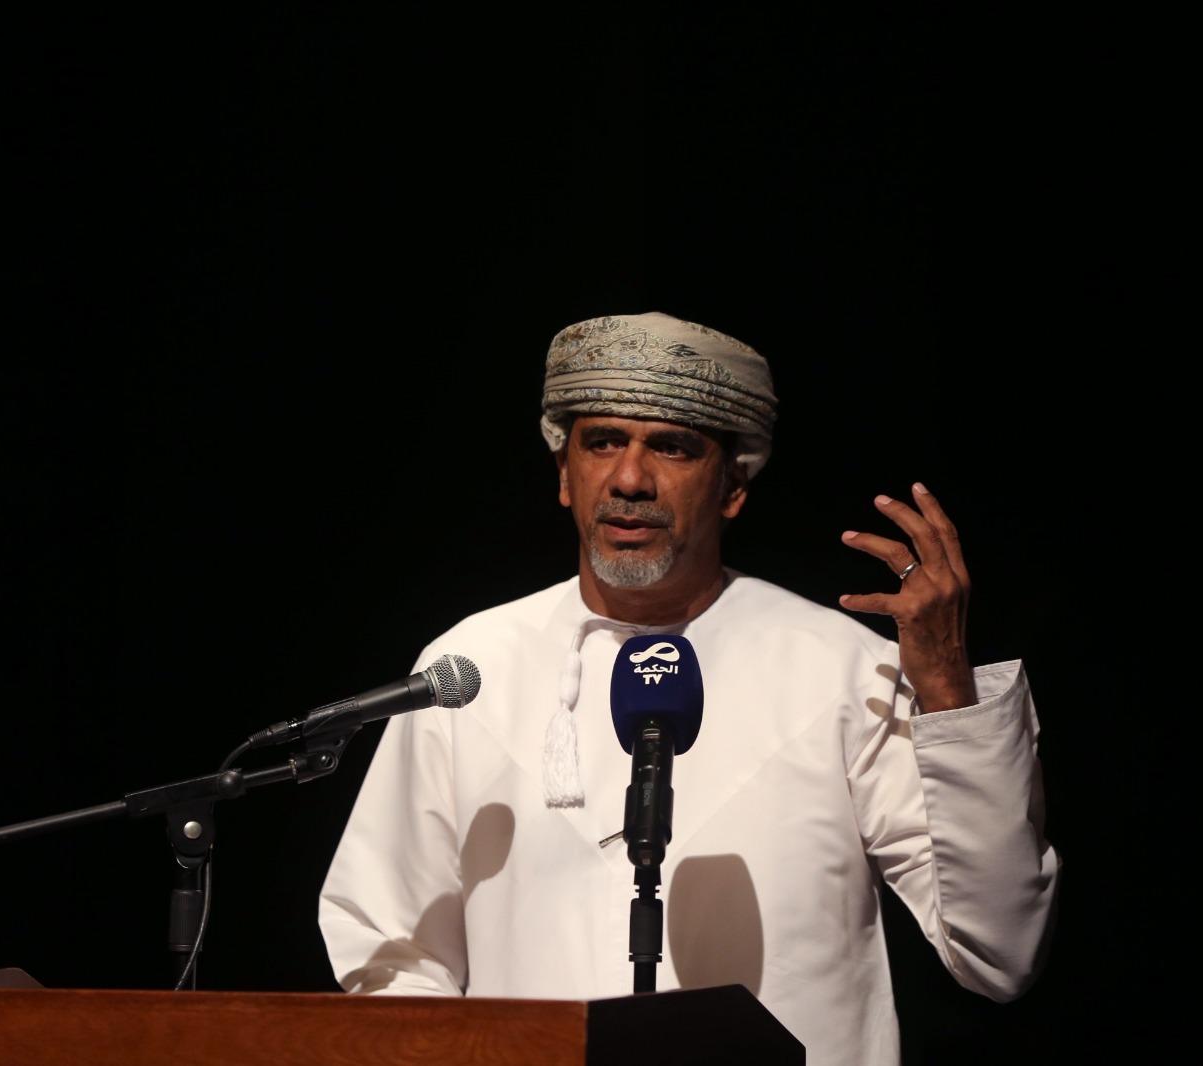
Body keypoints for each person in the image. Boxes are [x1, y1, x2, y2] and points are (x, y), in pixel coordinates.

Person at [317, 311, 1060, 1065]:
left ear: (733, 487)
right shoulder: (470, 667)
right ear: (564, 474)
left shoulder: (843, 668)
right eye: (603, 442)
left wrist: (946, 691)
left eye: (672, 447)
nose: (629, 479)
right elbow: (391, 949)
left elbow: (1000, 952)